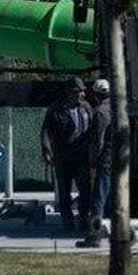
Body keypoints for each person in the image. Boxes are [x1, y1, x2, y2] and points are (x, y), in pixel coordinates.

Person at [41, 77, 92, 234]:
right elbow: (46, 131)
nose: (82, 95)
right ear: (70, 93)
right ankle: (68, 221)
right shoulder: (56, 109)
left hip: (81, 156)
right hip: (63, 157)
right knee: (64, 191)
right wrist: (46, 150)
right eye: (78, 92)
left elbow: (93, 128)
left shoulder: (86, 107)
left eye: (82, 91)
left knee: (85, 189)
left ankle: (83, 219)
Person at [78, 78, 113, 247]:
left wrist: (94, 161)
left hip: (105, 159)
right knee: (112, 198)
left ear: (97, 95)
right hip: (118, 159)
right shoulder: (119, 109)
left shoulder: (99, 112)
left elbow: (98, 140)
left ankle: (94, 235)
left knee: (98, 199)